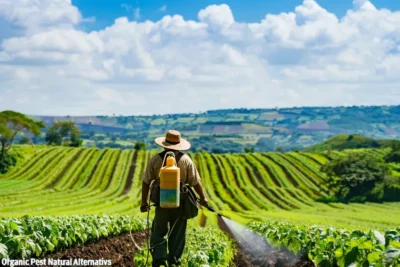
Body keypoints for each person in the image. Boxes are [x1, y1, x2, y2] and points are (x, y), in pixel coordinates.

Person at [140, 130, 208, 267]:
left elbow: (146, 181)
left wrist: (144, 202)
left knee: (158, 233)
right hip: (180, 205)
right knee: (177, 235)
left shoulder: (155, 160)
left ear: (164, 145)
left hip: (161, 204)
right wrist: (203, 198)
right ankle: (174, 262)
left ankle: (159, 261)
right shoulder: (186, 160)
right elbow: (196, 182)